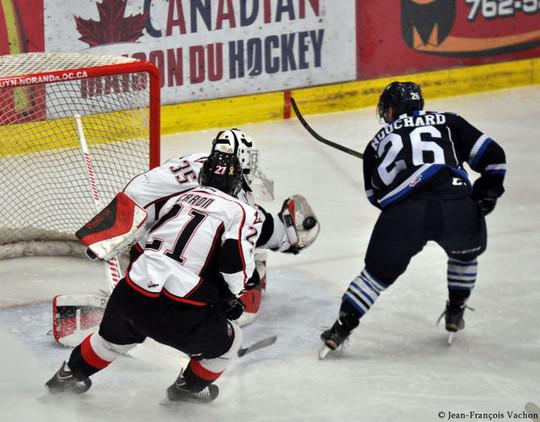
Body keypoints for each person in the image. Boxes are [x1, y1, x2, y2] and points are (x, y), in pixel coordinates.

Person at [46, 150, 262, 403]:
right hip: (182, 313)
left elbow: (140, 246)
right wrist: (230, 297)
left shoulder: (176, 200)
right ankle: (186, 389)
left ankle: (67, 377)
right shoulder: (243, 212)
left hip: (130, 295)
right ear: (237, 184)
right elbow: (234, 262)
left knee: (110, 342)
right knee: (230, 343)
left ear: (202, 175)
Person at [320, 81, 507, 357]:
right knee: (464, 256)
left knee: (373, 278)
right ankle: (456, 310)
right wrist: (486, 193)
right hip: (456, 206)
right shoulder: (450, 122)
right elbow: (494, 156)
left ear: (392, 109)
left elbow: (377, 198)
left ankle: (340, 329)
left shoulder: (375, 144)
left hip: (406, 215)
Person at [79, 128, 320, 327]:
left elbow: (141, 190)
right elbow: (247, 220)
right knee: (234, 267)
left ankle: (149, 305)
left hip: (158, 237)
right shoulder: (225, 183)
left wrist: (111, 230)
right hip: (165, 250)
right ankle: (192, 316)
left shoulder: (202, 163)